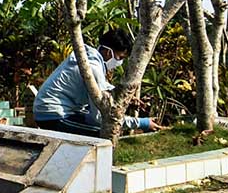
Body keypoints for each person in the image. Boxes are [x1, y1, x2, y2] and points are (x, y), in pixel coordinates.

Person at [33, 28, 161, 136]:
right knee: (105, 132)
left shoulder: (88, 60)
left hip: (55, 110)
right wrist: (142, 123)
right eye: (120, 57)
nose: (119, 62)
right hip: (54, 115)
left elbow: (103, 89)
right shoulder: (93, 68)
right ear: (107, 52)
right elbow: (99, 118)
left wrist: (124, 99)